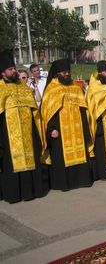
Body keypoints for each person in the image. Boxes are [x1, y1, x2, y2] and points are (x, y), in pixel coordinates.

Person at [0, 52, 49, 203]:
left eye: (14, 68)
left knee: (31, 160)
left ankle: (30, 192)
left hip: (28, 133)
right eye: (10, 69)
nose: (14, 71)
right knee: (11, 164)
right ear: (2, 73)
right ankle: (14, 194)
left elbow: (34, 110)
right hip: (8, 136)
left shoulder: (23, 88)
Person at [40, 59, 93, 191]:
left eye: (68, 71)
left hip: (77, 130)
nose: (67, 74)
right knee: (61, 156)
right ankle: (64, 184)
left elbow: (83, 110)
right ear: (57, 73)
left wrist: (86, 130)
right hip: (60, 132)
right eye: (64, 72)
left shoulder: (75, 87)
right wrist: (51, 130)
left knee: (80, 154)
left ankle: (81, 181)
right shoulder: (52, 89)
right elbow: (47, 112)